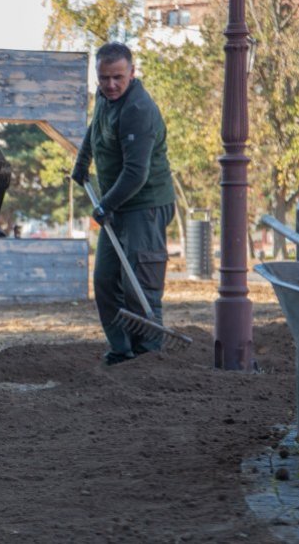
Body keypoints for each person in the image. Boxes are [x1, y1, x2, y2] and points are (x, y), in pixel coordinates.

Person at [70, 42, 176, 366]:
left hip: (145, 205)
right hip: (116, 206)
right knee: (104, 280)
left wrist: (104, 205)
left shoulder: (138, 110)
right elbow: (94, 128)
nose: (111, 85)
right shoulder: (105, 98)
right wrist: (82, 161)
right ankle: (121, 351)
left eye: (118, 77)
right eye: (104, 78)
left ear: (132, 72)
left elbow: (135, 174)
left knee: (139, 286)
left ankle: (148, 358)